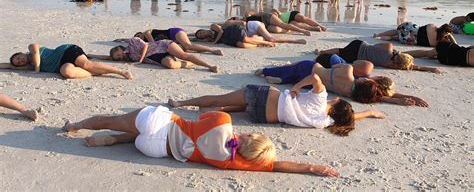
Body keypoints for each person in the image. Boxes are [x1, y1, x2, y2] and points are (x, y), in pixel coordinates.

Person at [64, 106, 339, 176]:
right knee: (137, 136)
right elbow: (277, 166)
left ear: (249, 136)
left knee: (114, 118)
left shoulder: (223, 123)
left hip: (161, 125)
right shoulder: (230, 163)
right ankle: (115, 140)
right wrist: (312, 168)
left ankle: (76, 126)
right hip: (156, 151)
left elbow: (204, 114)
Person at [169, 77, 384, 136]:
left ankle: (182, 103)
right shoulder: (323, 122)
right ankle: (213, 111)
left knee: (220, 98)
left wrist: (297, 87)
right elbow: (351, 118)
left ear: (336, 103)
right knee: (237, 108)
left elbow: (315, 77)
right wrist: (370, 112)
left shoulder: (321, 99)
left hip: (264, 95)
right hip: (261, 116)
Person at [257, 61, 428, 106]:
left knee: (292, 68)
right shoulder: (350, 94)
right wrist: (401, 99)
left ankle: (266, 71)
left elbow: (335, 65)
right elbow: (380, 97)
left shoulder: (347, 70)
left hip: (312, 69)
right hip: (313, 85)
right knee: (296, 76)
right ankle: (282, 79)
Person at [2, 44, 132, 79]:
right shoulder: (28, 66)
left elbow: (36, 52)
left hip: (66, 51)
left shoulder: (32, 48)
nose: (20, 61)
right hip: (62, 65)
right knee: (66, 72)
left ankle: (121, 72)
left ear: (20, 53)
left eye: (18, 58)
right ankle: (94, 73)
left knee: (86, 64)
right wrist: (30, 68)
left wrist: (37, 69)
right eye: (18, 62)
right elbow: (7, 66)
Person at [314, 39, 441, 73]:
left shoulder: (389, 47)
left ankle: (321, 52)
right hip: (357, 55)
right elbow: (412, 68)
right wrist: (428, 69)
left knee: (340, 50)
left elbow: (375, 45)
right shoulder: (388, 64)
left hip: (360, 44)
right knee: (340, 53)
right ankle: (322, 53)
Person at [104, 37, 218, 72]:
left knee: (183, 55)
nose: (120, 57)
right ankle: (188, 63)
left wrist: (140, 60)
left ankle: (209, 66)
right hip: (155, 57)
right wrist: (89, 55)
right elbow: (107, 58)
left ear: (118, 49)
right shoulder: (130, 58)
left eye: (118, 55)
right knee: (171, 65)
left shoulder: (133, 41)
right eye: (117, 58)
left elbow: (146, 46)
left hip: (163, 45)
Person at [114, 27, 223, 55]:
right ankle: (207, 47)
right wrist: (124, 40)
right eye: (138, 37)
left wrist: (150, 43)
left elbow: (149, 39)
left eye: (139, 34)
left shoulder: (148, 32)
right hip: (173, 41)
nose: (140, 37)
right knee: (186, 49)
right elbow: (133, 41)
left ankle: (213, 51)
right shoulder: (144, 41)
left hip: (174, 32)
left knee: (187, 46)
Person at [222, 19, 307, 45]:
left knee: (271, 39)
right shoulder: (225, 29)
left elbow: (243, 23)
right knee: (258, 40)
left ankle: (296, 41)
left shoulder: (226, 23)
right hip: (250, 31)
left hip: (253, 26)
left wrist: (244, 31)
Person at [373, 23, 456, 47]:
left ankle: (378, 34)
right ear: (446, 33)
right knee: (399, 38)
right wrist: (450, 36)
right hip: (407, 40)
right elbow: (455, 45)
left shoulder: (432, 26)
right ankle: (391, 38)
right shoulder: (437, 43)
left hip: (407, 29)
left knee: (397, 31)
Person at [194, 24, 276, 48]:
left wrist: (215, 42)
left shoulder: (212, 27)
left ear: (202, 30)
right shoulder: (209, 39)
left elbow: (221, 31)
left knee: (244, 39)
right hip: (228, 40)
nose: (202, 34)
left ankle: (265, 42)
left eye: (201, 32)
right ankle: (257, 44)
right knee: (241, 45)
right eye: (201, 36)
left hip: (232, 31)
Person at [405, 42, 474, 67]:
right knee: (431, 55)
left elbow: (468, 48)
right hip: (447, 61)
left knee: (426, 53)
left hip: (448, 48)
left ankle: (402, 53)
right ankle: (435, 56)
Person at [242, 10, 311, 36]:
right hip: (265, 26)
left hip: (266, 17)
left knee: (282, 24)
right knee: (277, 30)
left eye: (234, 18)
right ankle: (292, 28)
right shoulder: (244, 24)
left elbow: (259, 13)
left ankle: (303, 30)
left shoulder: (247, 14)